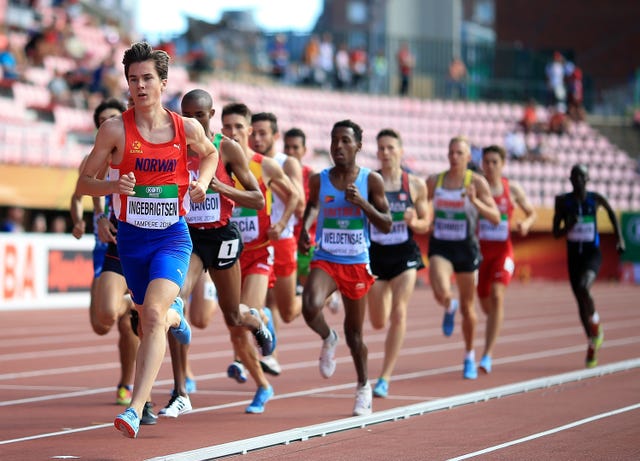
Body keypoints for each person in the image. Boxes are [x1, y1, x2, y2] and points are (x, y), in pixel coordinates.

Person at [75, 41, 219, 438]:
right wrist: (111, 185)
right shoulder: (114, 130)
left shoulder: (184, 127)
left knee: (151, 315)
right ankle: (178, 317)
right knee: (147, 315)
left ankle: (136, 408)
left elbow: (210, 154)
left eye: (147, 79)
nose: (140, 86)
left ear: (163, 82)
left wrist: (202, 184)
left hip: (172, 238)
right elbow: (84, 183)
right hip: (132, 242)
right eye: (133, 79)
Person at [162, 89, 273, 417]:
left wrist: (220, 188)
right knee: (174, 302)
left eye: (198, 115)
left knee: (233, 317)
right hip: (189, 238)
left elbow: (257, 199)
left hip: (222, 237)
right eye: (185, 116)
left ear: (211, 116)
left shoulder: (226, 149)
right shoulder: (174, 149)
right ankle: (180, 390)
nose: (191, 122)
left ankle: (257, 323)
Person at [298, 119, 392, 416]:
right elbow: (313, 206)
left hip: (355, 262)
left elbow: (387, 224)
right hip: (326, 256)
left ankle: (364, 386)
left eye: (345, 141)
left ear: (358, 146)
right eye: (334, 140)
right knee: (310, 306)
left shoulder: (370, 180)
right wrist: (305, 229)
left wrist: (362, 203)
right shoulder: (319, 179)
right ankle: (328, 336)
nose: (338, 146)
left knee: (355, 334)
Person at [222, 102, 297, 413]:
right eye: (227, 127)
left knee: (245, 311)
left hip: (258, 254)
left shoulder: (263, 165)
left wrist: (280, 224)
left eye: (239, 127)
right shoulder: (214, 163)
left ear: (249, 131)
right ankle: (263, 386)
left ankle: (262, 320)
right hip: (227, 256)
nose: (233, 132)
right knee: (237, 331)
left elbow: (292, 195)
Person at [70, 97, 141, 410]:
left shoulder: (135, 148)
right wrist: (82, 220)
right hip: (103, 238)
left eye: (114, 117)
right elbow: (77, 195)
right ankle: (123, 303)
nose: (109, 124)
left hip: (128, 233)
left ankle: (127, 383)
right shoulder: (94, 156)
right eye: (103, 120)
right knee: (102, 323)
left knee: (127, 325)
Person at [426, 136, 500, 380]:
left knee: (469, 308)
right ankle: (448, 304)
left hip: (466, 248)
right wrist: (423, 215)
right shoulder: (435, 181)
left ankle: (469, 354)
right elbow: (422, 203)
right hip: (441, 246)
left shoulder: (476, 182)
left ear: (469, 157)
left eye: (459, 153)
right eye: (451, 152)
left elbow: (495, 218)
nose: (454, 156)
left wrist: (475, 200)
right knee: (440, 289)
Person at [367, 129, 429, 398]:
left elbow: (426, 221)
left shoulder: (414, 184)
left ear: (401, 151)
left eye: (391, 148)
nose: (386, 153)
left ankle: (384, 377)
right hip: (377, 255)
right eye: (381, 148)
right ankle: (386, 299)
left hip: (405, 254)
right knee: (378, 321)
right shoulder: (368, 182)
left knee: (399, 313)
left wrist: (415, 222)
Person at [552, 164, 625, 368]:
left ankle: (596, 323)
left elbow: (612, 214)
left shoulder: (596, 199)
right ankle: (592, 342)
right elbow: (555, 233)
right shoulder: (563, 202)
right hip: (573, 256)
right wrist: (569, 226)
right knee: (580, 301)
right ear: (570, 180)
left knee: (584, 288)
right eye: (574, 177)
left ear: (587, 179)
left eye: (581, 177)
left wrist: (620, 239)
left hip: (592, 255)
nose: (577, 181)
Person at [250, 112, 304, 375]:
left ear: (275, 136)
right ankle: (271, 355)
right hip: (257, 242)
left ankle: (309, 296)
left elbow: (300, 204)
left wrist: (269, 182)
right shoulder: (246, 161)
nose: (257, 138)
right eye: (253, 133)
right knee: (261, 304)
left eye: (263, 133)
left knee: (288, 311)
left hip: (282, 240)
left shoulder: (287, 163)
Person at [477, 145, 537, 374]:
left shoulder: (511, 189)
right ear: (482, 164)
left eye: (495, 162)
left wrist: (526, 224)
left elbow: (531, 212)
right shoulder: (476, 188)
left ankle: (487, 354)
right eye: (487, 162)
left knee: (497, 295)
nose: (490, 166)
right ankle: (495, 323)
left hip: (503, 252)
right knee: (485, 303)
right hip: (480, 255)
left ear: (502, 164)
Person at [283, 127, 317, 292]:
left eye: (295, 147)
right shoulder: (276, 171)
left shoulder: (312, 176)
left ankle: (329, 296)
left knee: (309, 296)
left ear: (304, 150)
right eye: (287, 147)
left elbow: (311, 209)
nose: (290, 151)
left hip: (306, 243)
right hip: (284, 241)